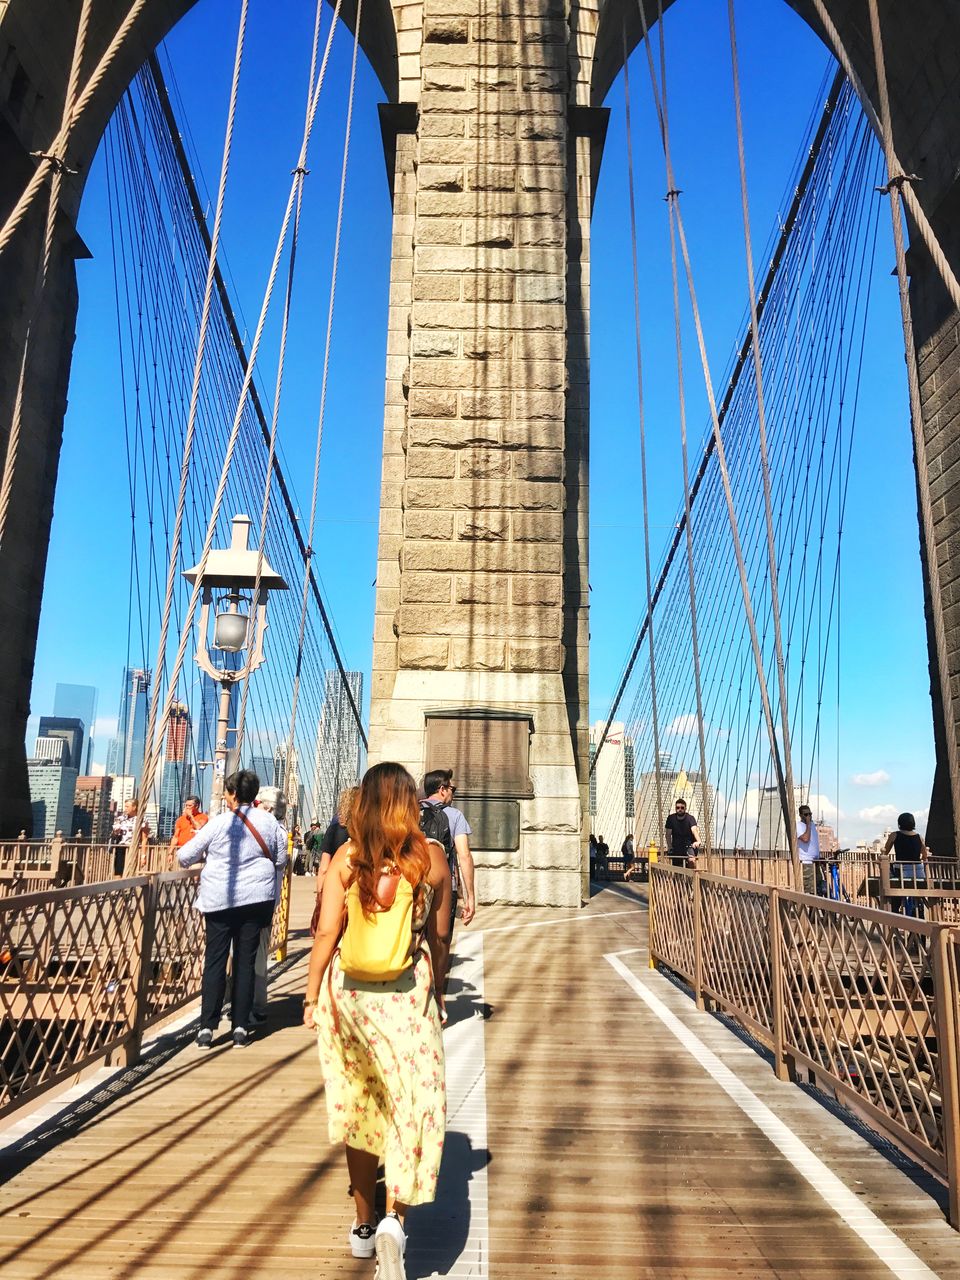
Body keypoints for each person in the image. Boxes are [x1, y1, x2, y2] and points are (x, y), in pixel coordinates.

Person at [304, 762, 452, 1276]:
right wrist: (443, 990)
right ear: (412, 803)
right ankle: (395, 1219)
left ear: (364, 804)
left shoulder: (348, 857)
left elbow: (326, 935)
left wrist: (308, 994)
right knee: (412, 1103)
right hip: (407, 998)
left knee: (362, 1104)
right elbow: (440, 939)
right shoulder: (431, 859)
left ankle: (364, 1228)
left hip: (351, 998)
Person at [178, 769, 287, 1048]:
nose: (226, 797)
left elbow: (185, 856)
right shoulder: (270, 823)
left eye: (227, 793)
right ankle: (240, 1027)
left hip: (220, 901)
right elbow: (281, 858)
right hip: (256, 900)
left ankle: (207, 1028)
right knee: (245, 962)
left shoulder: (219, 823)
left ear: (234, 795)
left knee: (215, 960)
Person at [251, 784, 288, 1023]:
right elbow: (281, 861)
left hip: (236, 900)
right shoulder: (281, 832)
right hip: (266, 899)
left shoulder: (242, 824)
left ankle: (233, 1003)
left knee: (236, 953)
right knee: (259, 954)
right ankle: (258, 1006)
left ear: (266, 806)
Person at [421, 768, 476, 926]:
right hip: (444, 887)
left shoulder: (410, 811)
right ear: (442, 790)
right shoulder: (454, 815)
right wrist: (469, 897)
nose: (454, 793)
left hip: (413, 884)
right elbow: (464, 856)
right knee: (441, 940)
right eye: (452, 789)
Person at [882, 812, 929, 917]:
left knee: (895, 895)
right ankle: (919, 912)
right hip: (918, 872)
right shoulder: (919, 837)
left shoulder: (894, 835)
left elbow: (885, 852)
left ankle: (895, 915)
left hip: (902, 871)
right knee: (918, 896)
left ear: (899, 824)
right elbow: (924, 855)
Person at [166, 795, 208, 869]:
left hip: (196, 852)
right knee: (181, 876)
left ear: (196, 806)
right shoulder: (180, 819)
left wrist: (191, 816)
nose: (187, 807)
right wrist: (170, 853)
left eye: (190, 805)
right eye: (186, 805)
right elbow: (175, 837)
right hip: (182, 851)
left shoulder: (203, 817)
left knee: (195, 875)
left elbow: (198, 827)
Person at [111, 798, 150, 876]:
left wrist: (143, 855)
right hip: (121, 847)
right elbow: (113, 834)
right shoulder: (120, 819)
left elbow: (144, 839)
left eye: (127, 806)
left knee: (132, 871)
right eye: (125, 806)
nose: (125, 809)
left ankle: (130, 887)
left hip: (134, 848)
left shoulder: (142, 820)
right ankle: (119, 887)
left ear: (134, 807)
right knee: (118, 871)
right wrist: (116, 832)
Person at [664, 799, 700, 867]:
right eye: (678, 808)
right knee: (675, 866)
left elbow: (694, 830)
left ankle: (691, 876)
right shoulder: (671, 818)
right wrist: (670, 847)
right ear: (675, 808)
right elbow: (668, 834)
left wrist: (698, 841)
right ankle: (677, 876)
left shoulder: (690, 818)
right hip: (676, 846)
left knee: (691, 861)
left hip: (688, 846)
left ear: (685, 808)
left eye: (682, 808)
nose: (680, 809)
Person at [797, 804, 822, 895]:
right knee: (810, 890)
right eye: (806, 814)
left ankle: (815, 908)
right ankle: (809, 908)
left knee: (819, 888)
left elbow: (814, 843)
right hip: (806, 862)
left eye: (810, 814)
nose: (809, 816)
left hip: (816, 862)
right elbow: (806, 839)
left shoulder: (812, 825)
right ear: (800, 815)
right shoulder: (798, 826)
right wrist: (807, 824)